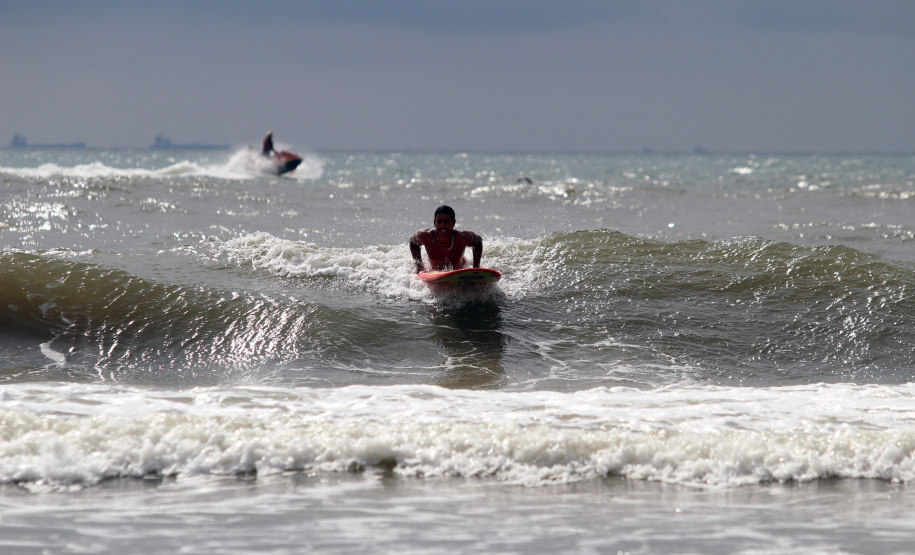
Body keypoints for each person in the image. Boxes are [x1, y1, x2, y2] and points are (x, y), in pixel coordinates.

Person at [410, 205, 482, 273]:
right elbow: (412, 242)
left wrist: (476, 268)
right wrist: (419, 266)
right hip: (435, 271)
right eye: (439, 221)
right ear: (434, 222)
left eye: (446, 222)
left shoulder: (462, 237)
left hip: (459, 269)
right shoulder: (426, 236)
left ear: (453, 223)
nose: (442, 225)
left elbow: (478, 241)